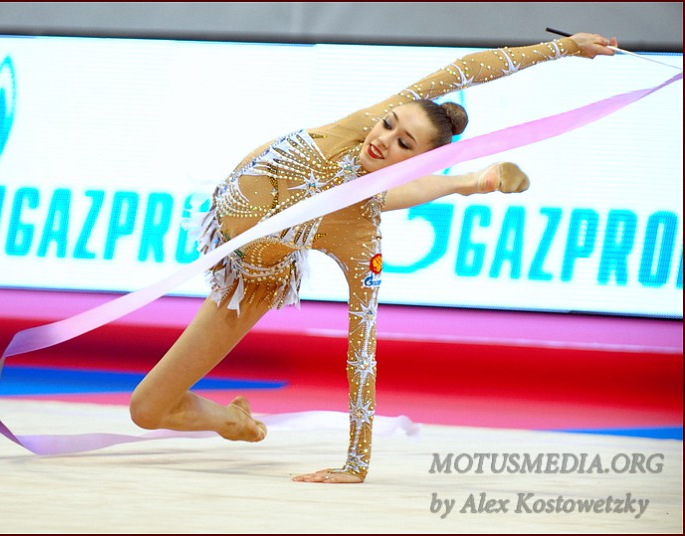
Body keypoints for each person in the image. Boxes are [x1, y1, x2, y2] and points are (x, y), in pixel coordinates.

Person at [129, 32, 618, 483]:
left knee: (146, 410)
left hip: (252, 280)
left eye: (404, 143)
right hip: (223, 232)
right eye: (389, 124)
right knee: (368, 188)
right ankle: (471, 181)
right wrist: (569, 46)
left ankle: (231, 420)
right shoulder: (360, 128)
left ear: (419, 160)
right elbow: (469, 69)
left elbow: (361, 353)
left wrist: (355, 464)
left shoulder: (360, 237)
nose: (383, 138)